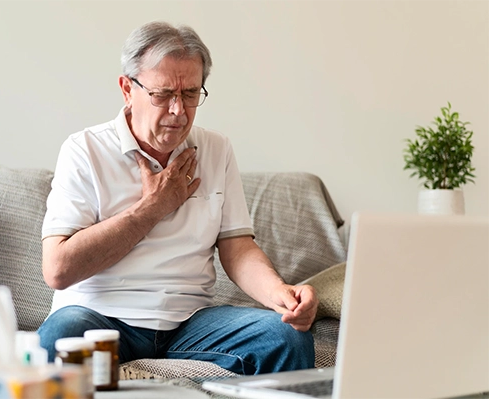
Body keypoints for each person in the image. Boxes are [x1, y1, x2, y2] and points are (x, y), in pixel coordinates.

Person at [38, 21, 318, 375]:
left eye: (190, 94)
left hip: (189, 323)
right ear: (127, 88)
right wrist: (151, 208)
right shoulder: (85, 150)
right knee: (59, 336)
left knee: (286, 336)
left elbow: (237, 247)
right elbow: (59, 269)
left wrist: (281, 295)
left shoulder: (216, 148)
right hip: (99, 317)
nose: (178, 111)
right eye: (163, 94)